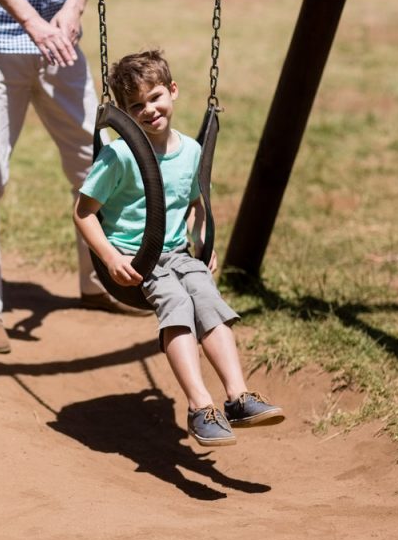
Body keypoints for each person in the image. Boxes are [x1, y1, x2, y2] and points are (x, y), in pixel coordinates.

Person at [0, 0, 146, 356]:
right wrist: (32, 23)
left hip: (60, 38)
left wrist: (72, 8)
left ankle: (101, 279)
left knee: (98, 165)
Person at [73, 50, 285, 447]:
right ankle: (200, 405)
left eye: (155, 97)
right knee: (177, 304)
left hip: (178, 252)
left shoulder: (190, 150)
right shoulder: (119, 155)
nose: (149, 110)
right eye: (136, 106)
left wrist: (202, 244)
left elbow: (190, 202)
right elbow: (83, 213)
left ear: (172, 91)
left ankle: (238, 397)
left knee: (207, 299)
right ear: (122, 112)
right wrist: (110, 257)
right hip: (137, 259)